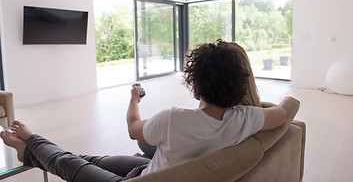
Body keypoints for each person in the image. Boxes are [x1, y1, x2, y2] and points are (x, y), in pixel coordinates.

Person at [1, 40, 287, 182]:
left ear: (195, 84)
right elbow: (282, 112)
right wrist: (245, 103)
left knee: (68, 163)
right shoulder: (248, 118)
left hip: (139, 181)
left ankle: (32, 141)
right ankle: (29, 153)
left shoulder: (175, 119)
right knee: (93, 158)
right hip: (151, 169)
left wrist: (134, 99)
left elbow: (133, 129)